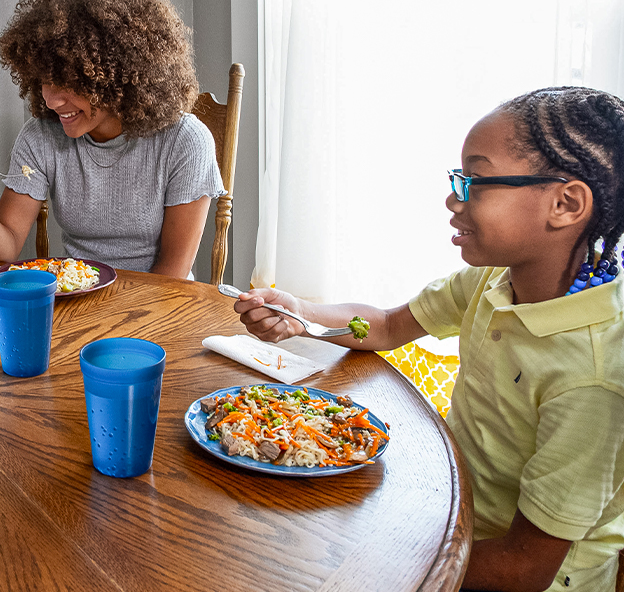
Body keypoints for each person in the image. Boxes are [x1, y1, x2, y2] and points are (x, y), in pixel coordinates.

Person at [234, 86, 624, 592]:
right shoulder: (498, 280)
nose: (452, 198)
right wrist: (302, 314)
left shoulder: (593, 378)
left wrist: (385, 566)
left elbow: (524, 568)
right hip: (452, 509)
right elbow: (388, 325)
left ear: (565, 203)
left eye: (475, 182)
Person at [0, 0, 224, 277]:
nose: (50, 99)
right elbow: (3, 251)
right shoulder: (41, 136)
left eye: (69, 83)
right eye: (44, 80)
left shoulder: (185, 141)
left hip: (156, 307)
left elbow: (171, 275)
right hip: (78, 299)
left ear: (117, 77)